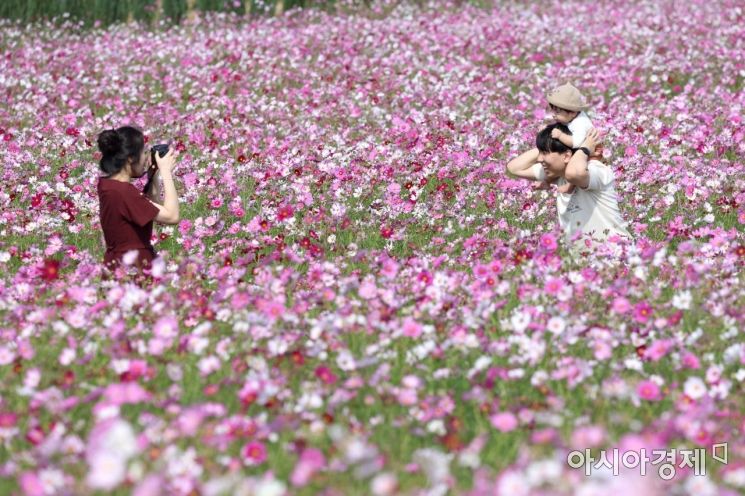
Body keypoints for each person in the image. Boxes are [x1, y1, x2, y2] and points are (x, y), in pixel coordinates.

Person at [507, 122, 631, 252]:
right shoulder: (559, 173)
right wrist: (546, 140)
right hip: (587, 265)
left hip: (617, 257)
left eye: (544, 153)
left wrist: (584, 148)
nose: (539, 159)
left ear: (566, 156)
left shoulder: (596, 169)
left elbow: (574, 173)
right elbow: (514, 168)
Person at [96, 126, 180, 272]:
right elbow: (172, 216)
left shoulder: (108, 186)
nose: (145, 158)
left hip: (118, 264)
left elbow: (152, 209)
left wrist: (153, 176)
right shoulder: (123, 192)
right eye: (143, 153)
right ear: (130, 159)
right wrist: (166, 172)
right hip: (134, 269)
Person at [535, 83, 603, 194]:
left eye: (557, 112)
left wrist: (560, 136)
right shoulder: (572, 118)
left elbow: (576, 143)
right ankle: (550, 181)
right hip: (584, 149)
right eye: (553, 110)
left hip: (592, 153)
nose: (553, 115)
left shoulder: (580, 124)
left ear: (572, 113)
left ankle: (570, 187)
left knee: (575, 165)